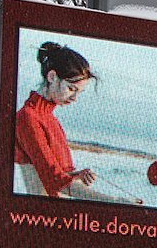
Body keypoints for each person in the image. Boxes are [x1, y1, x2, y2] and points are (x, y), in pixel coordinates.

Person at [14, 42, 98, 197]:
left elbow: (60, 176)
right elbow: (55, 182)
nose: (74, 98)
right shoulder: (28, 118)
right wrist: (114, 201)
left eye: (79, 92)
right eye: (71, 89)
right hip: (40, 215)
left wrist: (76, 175)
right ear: (52, 76)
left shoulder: (51, 120)